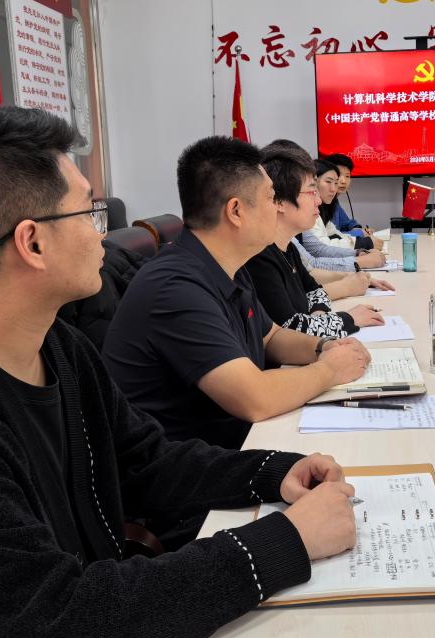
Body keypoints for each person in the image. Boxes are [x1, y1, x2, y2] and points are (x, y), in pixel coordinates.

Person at [0, 102, 357, 638]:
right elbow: (58, 624)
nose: (103, 239)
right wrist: (285, 543)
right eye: (88, 214)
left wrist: (272, 472)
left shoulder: (58, 348)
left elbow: (147, 461)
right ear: (33, 243)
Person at [102, 136, 371, 450]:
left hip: (234, 444)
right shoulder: (174, 287)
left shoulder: (230, 265)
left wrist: (324, 347)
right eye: (271, 197)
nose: (277, 207)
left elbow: (270, 337)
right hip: (190, 466)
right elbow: (255, 397)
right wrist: (330, 370)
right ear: (236, 211)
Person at [245, 148, 384, 337]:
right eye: (311, 192)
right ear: (280, 202)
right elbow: (291, 328)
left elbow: (314, 292)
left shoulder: (289, 247)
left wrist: (319, 318)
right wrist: (348, 319)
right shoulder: (259, 257)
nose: (318, 200)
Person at [308, 158, 381, 251]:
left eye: (347, 176)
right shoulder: (309, 208)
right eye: (328, 181)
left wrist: (358, 235)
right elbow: (320, 247)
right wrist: (361, 242)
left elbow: (337, 231)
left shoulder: (330, 203)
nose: (343, 181)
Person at [327, 153, 371, 236]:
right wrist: (360, 233)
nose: (343, 181)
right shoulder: (320, 203)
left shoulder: (334, 201)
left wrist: (357, 228)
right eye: (339, 175)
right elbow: (330, 236)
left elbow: (346, 223)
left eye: (347, 176)